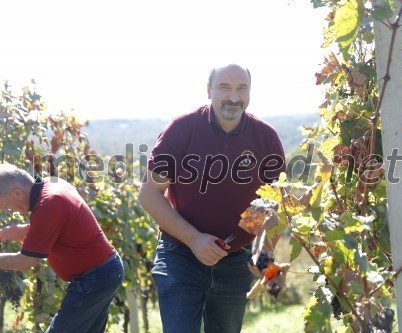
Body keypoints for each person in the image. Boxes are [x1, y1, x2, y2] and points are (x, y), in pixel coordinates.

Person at [138, 63, 286, 333]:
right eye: (224, 87)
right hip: (180, 255)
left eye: (241, 88)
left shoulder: (265, 138)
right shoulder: (182, 129)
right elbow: (149, 194)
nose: (233, 96)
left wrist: (262, 252)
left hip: (235, 262)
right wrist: (194, 238)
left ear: (250, 93)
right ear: (209, 91)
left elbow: (274, 203)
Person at [0, 163, 124, 333]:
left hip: (95, 278)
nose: (5, 209)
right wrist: (5, 233)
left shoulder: (49, 203)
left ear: (16, 192)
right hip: (103, 272)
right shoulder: (52, 185)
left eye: (3, 203)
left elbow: (23, 262)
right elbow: (43, 228)